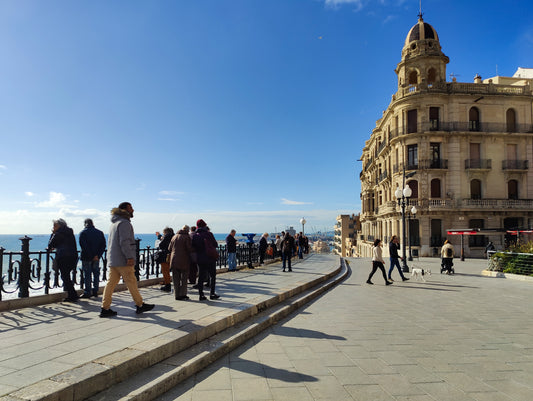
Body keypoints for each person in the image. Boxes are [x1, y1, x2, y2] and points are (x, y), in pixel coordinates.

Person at [100, 202, 154, 317]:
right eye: (131, 208)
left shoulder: (114, 224)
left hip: (113, 259)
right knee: (131, 282)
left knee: (110, 284)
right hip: (123, 260)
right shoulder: (124, 223)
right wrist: (129, 257)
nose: (133, 210)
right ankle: (140, 305)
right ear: (124, 210)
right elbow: (124, 242)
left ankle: (105, 308)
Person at [48, 219, 79, 302]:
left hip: (64, 256)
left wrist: (53, 233)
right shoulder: (69, 232)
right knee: (67, 276)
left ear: (60, 226)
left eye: (55, 226)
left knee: (65, 276)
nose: (53, 227)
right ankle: (72, 294)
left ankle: (72, 295)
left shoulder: (58, 233)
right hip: (73, 256)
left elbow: (51, 244)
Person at [192, 219, 219, 300]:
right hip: (210, 258)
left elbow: (193, 247)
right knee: (212, 276)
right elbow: (215, 244)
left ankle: (201, 295)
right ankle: (212, 293)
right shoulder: (209, 234)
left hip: (201, 258)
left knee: (201, 277)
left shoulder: (195, 236)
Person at [79, 218, 106, 298]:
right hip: (97, 258)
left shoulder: (83, 233)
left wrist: (91, 255)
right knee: (96, 274)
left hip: (87, 257)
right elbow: (103, 245)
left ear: (85, 224)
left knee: (87, 274)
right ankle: (95, 290)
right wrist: (97, 255)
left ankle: (88, 292)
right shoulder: (100, 233)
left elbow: (84, 246)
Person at [169, 225, 192, 300]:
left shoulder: (174, 236)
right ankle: (183, 294)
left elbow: (169, 248)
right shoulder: (186, 237)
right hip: (184, 259)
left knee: (175, 278)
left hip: (174, 259)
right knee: (184, 278)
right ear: (187, 230)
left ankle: (176, 295)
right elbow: (189, 248)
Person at [157, 227, 174, 292]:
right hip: (173, 255)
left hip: (166, 255)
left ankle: (167, 285)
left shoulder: (166, 237)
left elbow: (161, 245)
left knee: (165, 270)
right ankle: (168, 283)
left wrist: (161, 238)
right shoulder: (174, 236)